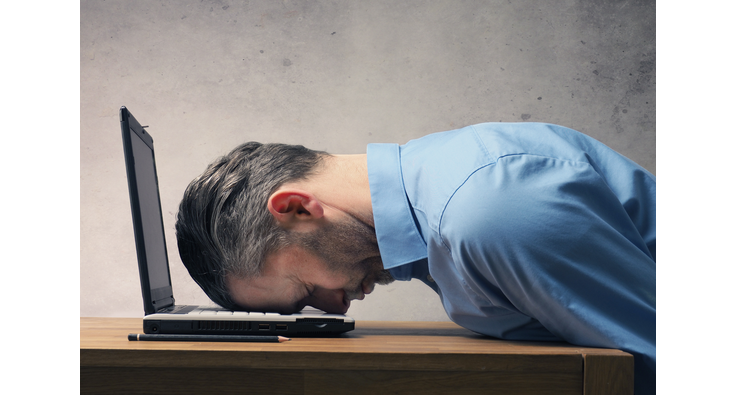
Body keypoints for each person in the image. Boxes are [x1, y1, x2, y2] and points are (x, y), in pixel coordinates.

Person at [176, 122, 656, 394]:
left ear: (297, 209)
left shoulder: (487, 213)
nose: (336, 308)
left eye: (306, 291)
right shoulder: (433, 209)